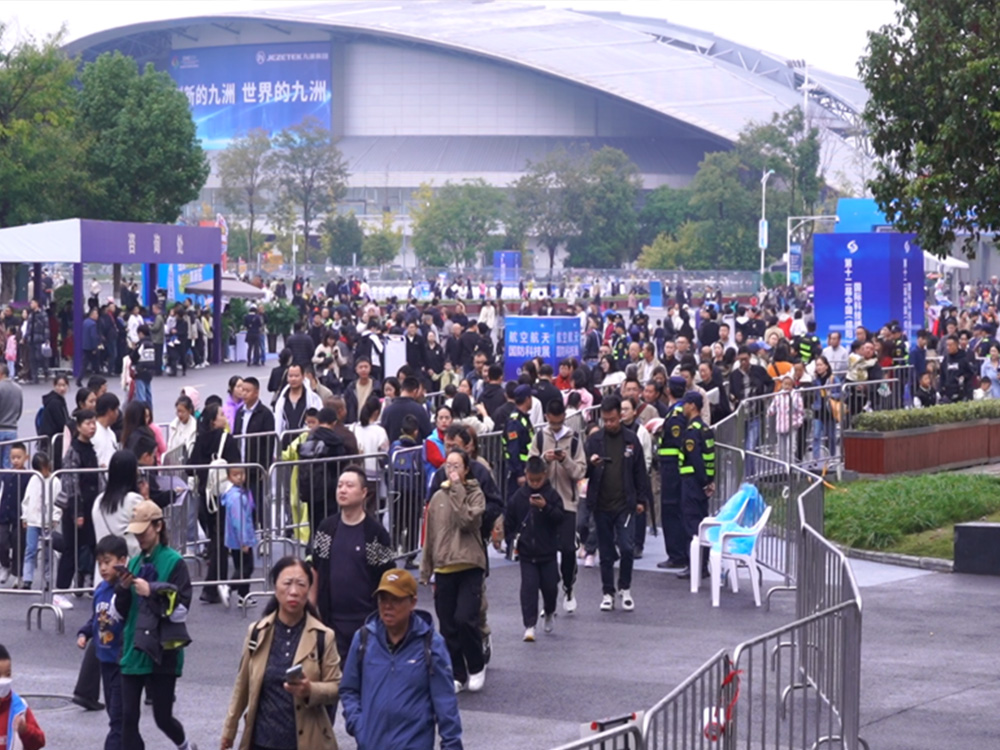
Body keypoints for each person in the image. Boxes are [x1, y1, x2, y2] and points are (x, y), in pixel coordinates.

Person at [221, 556, 342, 750]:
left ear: (309, 589)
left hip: (305, 742)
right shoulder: (257, 632)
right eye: (287, 583)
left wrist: (310, 690)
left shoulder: (323, 636)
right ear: (275, 588)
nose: (293, 591)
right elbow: (242, 685)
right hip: (261, 741)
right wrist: (229, 730)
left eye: (301, 584)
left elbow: (337, 687)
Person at [340, 568, 464, 750]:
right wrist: (358, 725)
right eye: (383, 599)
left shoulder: (431, 644)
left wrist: (452, 745)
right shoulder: (364, 638)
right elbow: (349, 689)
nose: (387, 606)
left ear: (413, 602)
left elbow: (446, 705)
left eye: (396, 600)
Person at [114, 500, 193, 750]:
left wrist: (152, 591)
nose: (139, 538)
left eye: (143, 531)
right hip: (134, 647)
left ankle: (185, 745)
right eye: (135, 533)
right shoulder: (135, 562)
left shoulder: (175, 562)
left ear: (158, 526)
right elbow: (120, 613)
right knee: (128, 718)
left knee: (162, 718)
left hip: (162, 650)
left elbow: (181, 611)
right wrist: (124, 589)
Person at [310, 466, 395, 663]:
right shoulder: (327, 528)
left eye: (349, 486)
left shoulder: (374, 533)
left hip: (367, 621)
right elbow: (316, 569)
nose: (342, 490)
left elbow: (386, 577)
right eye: (340, 485)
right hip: (332, 620)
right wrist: (312, 610)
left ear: (364, 493)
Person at [420, 449, 487, 693]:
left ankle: (477, 665)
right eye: (448, 466)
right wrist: (426, 570)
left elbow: (467, 521)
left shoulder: (475, 494)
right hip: (444, 565)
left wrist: (458, 490)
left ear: (466, 469)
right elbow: (431, 536)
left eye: (457, 466)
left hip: (469, 563)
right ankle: (457, 671)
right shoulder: (437, 497)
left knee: (465, 619)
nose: (452, 471)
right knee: (447, 624)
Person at [584, 395, 650, 612]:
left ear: (619, 416)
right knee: (605, 551)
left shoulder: (631, 439)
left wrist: (641, 500)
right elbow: (581, 469)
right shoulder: (594, 441)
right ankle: (607, 592)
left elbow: (640, 471)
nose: (609, 423)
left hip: (625, 504)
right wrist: (590, 464)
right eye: (606, 420)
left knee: (627, 548)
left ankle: (625, 587)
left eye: (612, 419)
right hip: (601, 504)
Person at [527, 398, 586, 613]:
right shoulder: (540, 437)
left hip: (568, 502)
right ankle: (549, 598)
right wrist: (544, 458)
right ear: (546, 419)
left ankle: (569, 587)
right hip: (544, 501)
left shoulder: (574, 440)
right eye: (552, 423)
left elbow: (580, 471)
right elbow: (531, 466)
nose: (556, 426)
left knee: (568, 550)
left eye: (559, 423)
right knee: (546, 552)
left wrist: (564, 460)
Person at [77, 534, 128, 750]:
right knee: (115, 715)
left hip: (121, 661)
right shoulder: (100, 590)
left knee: (118, 718)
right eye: (100, 564)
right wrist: (85, 633)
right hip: (104, 660)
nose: (103, 568)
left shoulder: (125, 589)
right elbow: (96, 618)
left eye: (108, 562)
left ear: (123, 560)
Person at [505, 456, 564, 641]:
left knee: (550, 588)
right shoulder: (518, 497)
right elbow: (510, 521)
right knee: (528, 589)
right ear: (526, 475)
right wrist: (510, 542)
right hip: (527, 554)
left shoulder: (553, 495)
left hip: (548, 553)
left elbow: (560, 517)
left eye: (539, 480)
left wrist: (546, 507)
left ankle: (549, 610)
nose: (536, 484)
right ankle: (529, 625)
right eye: (532, 480)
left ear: (545, 476)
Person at [188, 402, 240, 605]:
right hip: (223, 495)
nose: (225, 416)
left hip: (205, 495)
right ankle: (212, 587)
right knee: (221, 541)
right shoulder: (227, 440)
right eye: (221, 414)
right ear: (213, 421)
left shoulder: (200, 440)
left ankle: (214, 586)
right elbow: (236, 465)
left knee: (215, 538)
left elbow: (189, 468)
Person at [53, 409, 101, 611]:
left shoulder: (90, 448)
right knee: (71, 550)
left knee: (93, 546)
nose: (92, 426)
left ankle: (96, 584)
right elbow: (71, 484)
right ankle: (59, 591)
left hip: (92, 507)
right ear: (79, 426)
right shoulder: (73, 451)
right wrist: (77, 512)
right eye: (88, 423)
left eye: (94, 422)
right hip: (77, 509)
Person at [677, 392, 715, 581]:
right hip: (701, 483)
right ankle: (703, 565)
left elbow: (696, 460)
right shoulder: (705, 428)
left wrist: (703, 482)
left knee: (692, 525)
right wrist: (710, 480)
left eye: (685, 404)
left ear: (692, 406)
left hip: (692, 483)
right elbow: (709, 458)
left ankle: (695, 566)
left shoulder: (692, 431)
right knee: (702, 523)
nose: (682, 407)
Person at [297, 408, 350, 531]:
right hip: (329, 487)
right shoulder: (335, 441)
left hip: (310, 486)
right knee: (330, 524)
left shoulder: (310, 438)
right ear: (334, 422)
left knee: (314, 523)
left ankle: (313, 547)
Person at [20, 452, 60, 591]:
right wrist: (25, 516)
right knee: (30, 550)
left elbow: (57, 502)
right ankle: (27, 579)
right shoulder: (34, 480)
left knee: (48, 553)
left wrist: (55, 517)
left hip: (47, 521)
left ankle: (48, 580)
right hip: (33, 520)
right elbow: (27, 499)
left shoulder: (55, 481)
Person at [219, 467, 257, 609]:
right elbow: (239, 520)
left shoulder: (237, 493)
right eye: (235, 475)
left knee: (241, 567)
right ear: (229, 477)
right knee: (247, 567)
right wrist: (244, 541)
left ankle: (243, 596)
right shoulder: (236, 497)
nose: (240, 477)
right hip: (241, 539)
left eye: (242, 474)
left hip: (236, 539)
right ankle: (229, 587)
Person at [0, 643, 46, 750]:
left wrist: (25, 730)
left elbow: (39, 741)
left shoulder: (19, 708)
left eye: (7, 674)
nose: (3, 680)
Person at [0, 444, 29, 586]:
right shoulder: (5, 474)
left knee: (19, 543)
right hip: (4, 513)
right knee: (2, 540)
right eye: (13, 458)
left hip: (20, 514)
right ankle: (5, 564)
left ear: (26, 458)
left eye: (19, 457)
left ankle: (18, 574)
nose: (15, 461)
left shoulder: (29, 476)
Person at [502, 385, 534, 499]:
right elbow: (513, 449)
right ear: (527, 399)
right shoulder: (515, 422)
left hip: (526, 468)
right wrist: (520, 473)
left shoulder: (523, 418)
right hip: (519, 471)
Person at [0, 366, 22, 468]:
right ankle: (8, 483)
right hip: (12, 429)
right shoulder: (18, 388)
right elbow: (19, 409)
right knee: (8, 462)